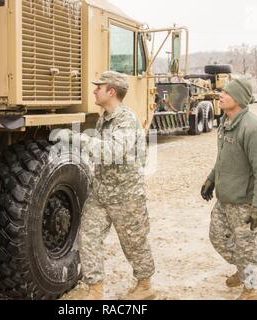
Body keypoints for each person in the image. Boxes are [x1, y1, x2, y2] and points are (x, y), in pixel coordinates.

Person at [57, 71, 156, 300]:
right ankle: (95, 289)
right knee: (88, 237)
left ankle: (145, 285)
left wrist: (75, 138)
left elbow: (112, 152)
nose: (94, 90)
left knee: (134, 242)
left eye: (98, 87)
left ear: (111, 92)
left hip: (126, 195)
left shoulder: (126, 120)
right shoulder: (105, 117)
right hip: (101, 193)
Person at [201, 79, 257, 300]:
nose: (220, 95)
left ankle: (251, 289)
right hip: (225, 199)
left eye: (225, 93)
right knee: (217, 238)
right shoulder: (225, 122)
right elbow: (224, 158)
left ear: (239, 99)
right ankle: (244, 270)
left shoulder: (253, 128)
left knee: (248, 249)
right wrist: (211, 179)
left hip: (245, 204)